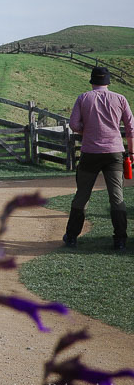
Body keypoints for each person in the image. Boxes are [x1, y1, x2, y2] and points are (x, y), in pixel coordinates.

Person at [64, 66, 134, 250]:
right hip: (114, 153)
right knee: (116, 197)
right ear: (108, 82)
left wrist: (84, 130)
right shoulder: (120, 99)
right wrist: (132, 153)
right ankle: (120, 240)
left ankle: (71, 236)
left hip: (90, 152)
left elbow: (73, 124)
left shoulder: (83, 98)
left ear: (92, 81)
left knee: (82, 195)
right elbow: (130, 128)